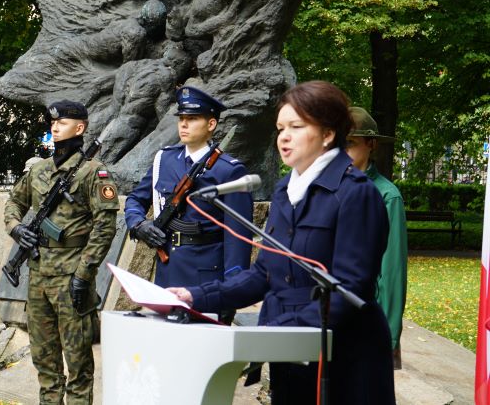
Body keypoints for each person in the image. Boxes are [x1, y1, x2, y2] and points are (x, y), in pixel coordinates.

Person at [169, 81, 395, 405]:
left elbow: (350, 289)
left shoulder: (357, 193)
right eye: (280, 128)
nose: (283, 137)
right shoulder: (285, 190)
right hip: (289, 353)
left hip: (341, 355)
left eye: (296, 127)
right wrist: (195, 296)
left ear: (328, 134)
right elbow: (264, 274)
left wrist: (272, 334)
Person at [4, 101, 119, 405]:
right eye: (52, 123)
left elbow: (105, 228)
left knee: (78, 361)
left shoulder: (95, 173)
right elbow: (14, 203)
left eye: (63, 123)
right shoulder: (40, 170)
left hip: (71, 277)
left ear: (79, 128)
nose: (55, 127)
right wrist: (16, 228)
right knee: (44, 360)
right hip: (39, 275)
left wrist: (84, 274)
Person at [124, 86, 252, 317]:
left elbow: (237, 239)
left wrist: (230, 293)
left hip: (205, 278)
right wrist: (138, 224)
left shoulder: (229, 171)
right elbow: (135, 199)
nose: (183, 124)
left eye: (192, 119)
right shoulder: (165, 160)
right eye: (181, 119)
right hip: (167, 269)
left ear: (211, 124)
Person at [347, 106, 407, 370]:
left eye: (349, 143)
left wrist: (389, 336)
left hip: (365, 322)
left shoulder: (386, 196)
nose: (341, 151)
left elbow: (392, 271)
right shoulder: (323, 188)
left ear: (371, 144)